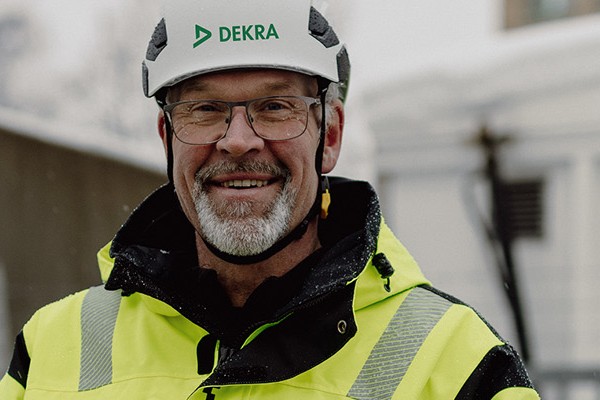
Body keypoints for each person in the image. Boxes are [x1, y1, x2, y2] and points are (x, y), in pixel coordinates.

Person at [0, 1, 540, 399]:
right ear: (167, 140)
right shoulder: (51, 349)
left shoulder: (458, 363)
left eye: (276, 107)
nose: (237, 140)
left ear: (329, 137)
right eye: (205, 110)